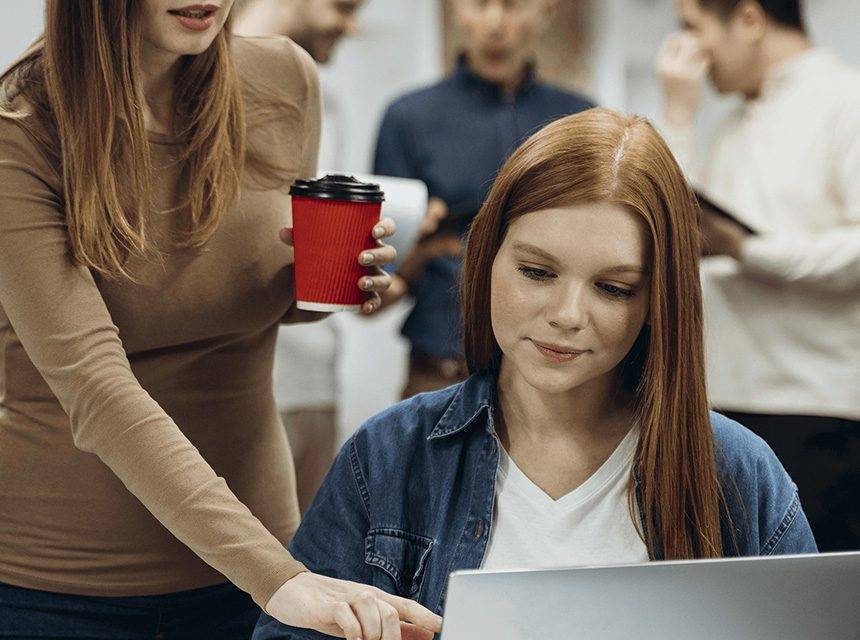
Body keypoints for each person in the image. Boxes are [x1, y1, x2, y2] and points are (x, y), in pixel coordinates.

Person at [253, 108, 817, 640]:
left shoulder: (737, 473)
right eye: (537, 272)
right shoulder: (389, 456)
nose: (568, 315)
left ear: (657, 300)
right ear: (487, 259)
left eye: (613, 288)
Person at [0, 1, 441, 638]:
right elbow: (94, 385)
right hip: (60, 588)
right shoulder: (21, 125)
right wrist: (279, 578)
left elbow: (249, 306)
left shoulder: (285, 79)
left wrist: (326, 286)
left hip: (257, 563)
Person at [657, 0, 860, 551]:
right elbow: (673, 223)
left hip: (814, 409)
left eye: (693, 28)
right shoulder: (733, 124)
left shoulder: (845, 101)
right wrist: (678, 113)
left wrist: (749, 251)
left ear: (749, 20)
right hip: (724, 403)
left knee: (813, 595)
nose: (686, 49)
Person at [373, 0, 594, 398]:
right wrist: (411, 251)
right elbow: (384, 270)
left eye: (512, 5)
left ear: (545, 11)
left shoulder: (580, 121)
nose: (495, 22)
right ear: (456, 8)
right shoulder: (408, 118)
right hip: (442, 369)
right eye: (479, 3)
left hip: (555, 373)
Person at [234, 0, 365, 515]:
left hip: (315, 381)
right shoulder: (198, 92)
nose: (352, 26)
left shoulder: (327, 104)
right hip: (240, 388)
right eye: (344, 6)